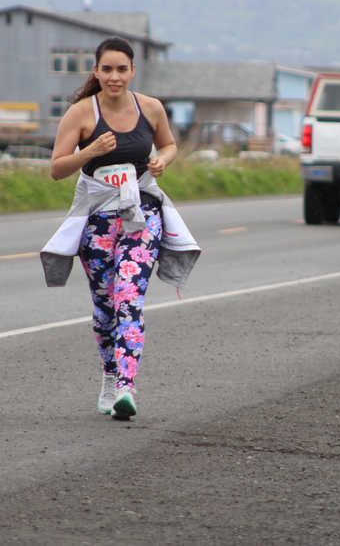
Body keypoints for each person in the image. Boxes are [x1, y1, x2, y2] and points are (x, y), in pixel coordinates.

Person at [40, 36, 200, 421]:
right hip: (97, 220)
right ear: (96, 71)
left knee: (129, 297)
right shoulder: (81, 113)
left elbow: (170, 145)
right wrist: (90, 152)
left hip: (141, 216)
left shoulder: (150, 107)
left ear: (132, 71)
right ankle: (110, 375)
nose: (115, 77)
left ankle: (127, 386)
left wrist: (162, 160)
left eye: (122, 69)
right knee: (104, 305)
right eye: (107, 69)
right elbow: (57, 168)